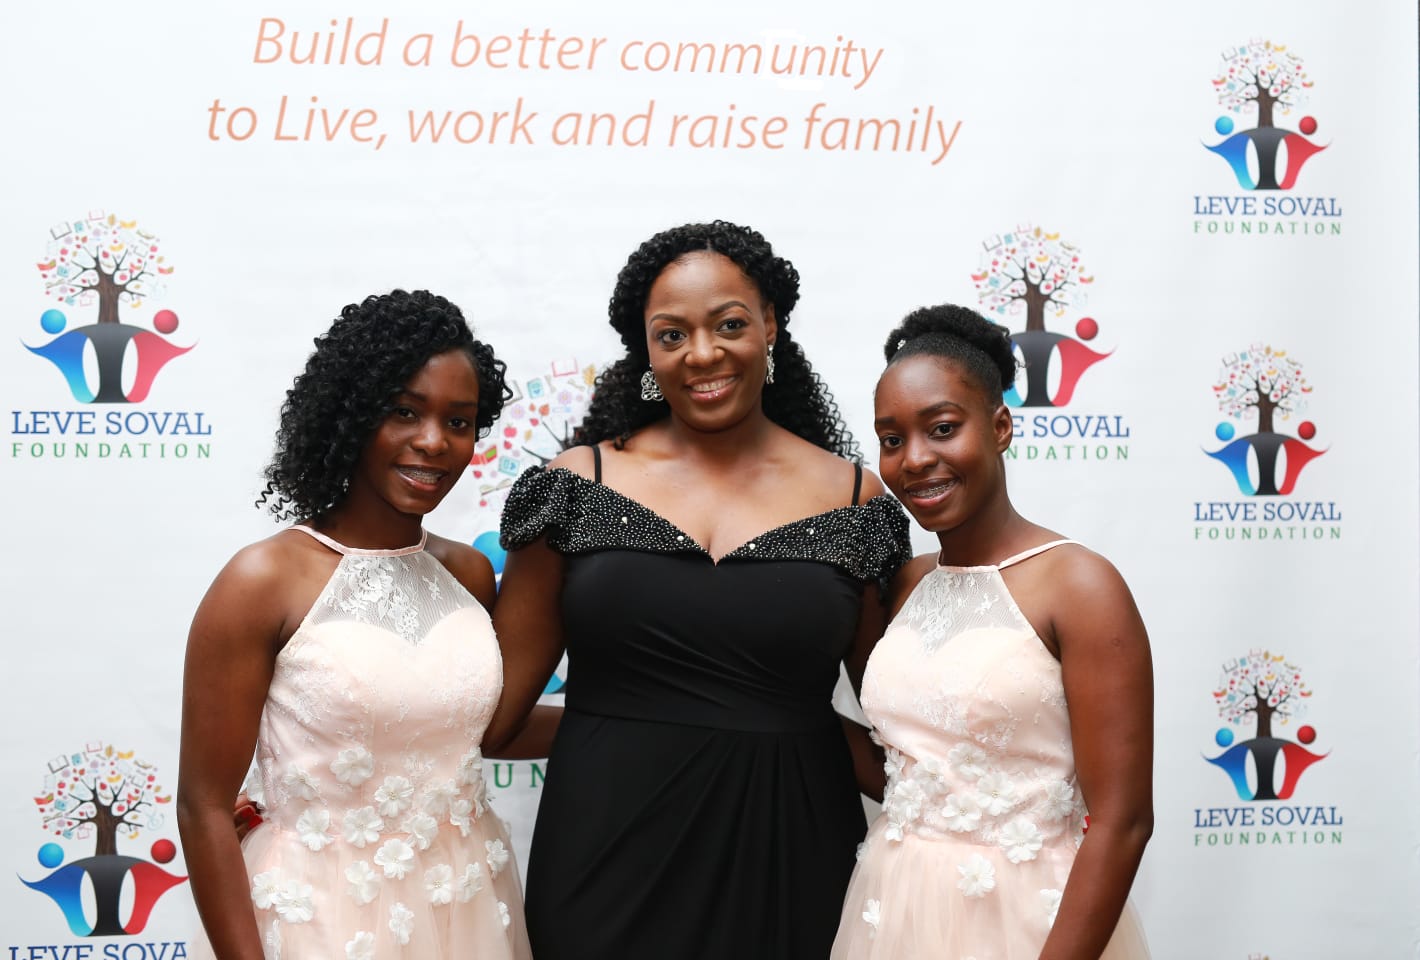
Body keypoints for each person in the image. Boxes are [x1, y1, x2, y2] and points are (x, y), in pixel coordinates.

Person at [484, 221, 912, 959]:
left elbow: (902, 723)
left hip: (794, 853)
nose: (703, 354)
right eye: (671, 334)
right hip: (604, 858)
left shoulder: (855, 501)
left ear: (771, 326)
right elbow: (489, 718)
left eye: (730, 325)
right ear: (646, 351)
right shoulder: (573, 489)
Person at [177, 290, 533, 959]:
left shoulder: (469, 575)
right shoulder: (261, 582)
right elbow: (203, 809)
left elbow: (475, 730)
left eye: (459, 422)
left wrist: (644, 719)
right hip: (320, 916)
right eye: (404, 412)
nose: (433, 442)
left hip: (467, 902)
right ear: (350, 414)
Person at [830, 304, 1153, 959]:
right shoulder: (908, 582)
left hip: (1028, 921)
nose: (915, 459)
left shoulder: (1080, 585)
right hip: (895, 908)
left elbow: (1123, 822)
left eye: (942, 428)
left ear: (1000, 426)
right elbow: (910, 766)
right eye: (891, 440)